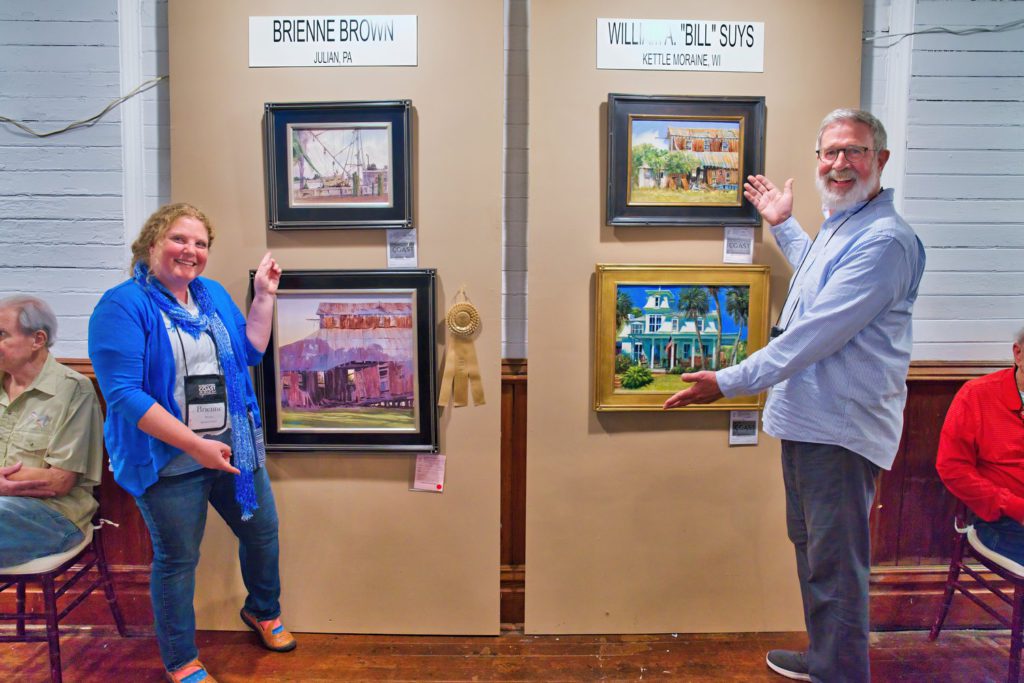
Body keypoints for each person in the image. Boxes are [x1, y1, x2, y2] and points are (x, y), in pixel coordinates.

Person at [664, 109, 926, 682]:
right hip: (813, 423)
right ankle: (828, 658)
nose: (839, 163)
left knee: (835, 567)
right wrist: (784, 225)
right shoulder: (844, 224)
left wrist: (728, 382)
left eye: (853, 151)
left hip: (840, 431)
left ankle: (841, 672)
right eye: (829, 152)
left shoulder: (885, 241)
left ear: (880, 160)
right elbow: (818, 280)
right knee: (815, 557)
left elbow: (814, 334)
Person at [88, 203, 290, 683]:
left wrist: (263, 296)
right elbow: (124, 395)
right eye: (180, 239)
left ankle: (262, 609)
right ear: (152, 243)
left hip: (233, 445)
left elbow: (249, 353)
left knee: (262, 533)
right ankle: (180, 658)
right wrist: (196, 447)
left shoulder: (212, 295)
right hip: (167, 460)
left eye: (201, 244)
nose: (191, 251)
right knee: (178, 560)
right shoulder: (122, 305)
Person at [0, 296, 103, 567]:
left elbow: (59, 481)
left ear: (38, 340)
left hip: (54, 517)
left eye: (1, 334)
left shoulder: (73, 389)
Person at [936, 327, 1024, 562]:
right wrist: (1013, 505)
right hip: (1001, 520)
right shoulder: (976, 395)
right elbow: (952, 469)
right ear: (1018, 354)